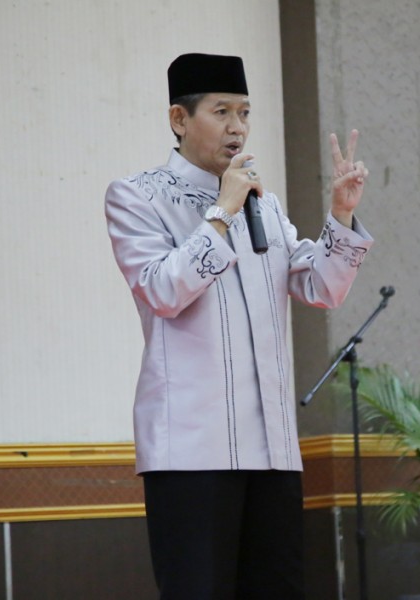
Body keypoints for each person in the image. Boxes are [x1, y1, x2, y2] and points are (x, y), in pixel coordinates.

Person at [104, 52, 373, 599]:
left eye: (245, 113)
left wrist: (341, 215)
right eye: (222, 111)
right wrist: (221, 213)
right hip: (190, 452)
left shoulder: (264, 206)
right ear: (179, 119)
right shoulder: (137, 195)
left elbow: (320, 287)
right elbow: (162, 290)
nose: (237, 128)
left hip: (272, 450)